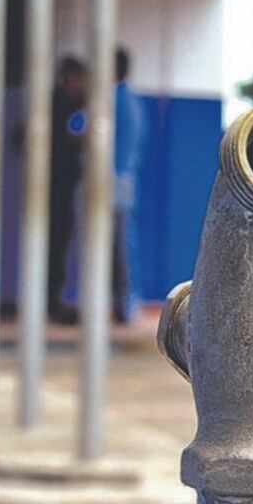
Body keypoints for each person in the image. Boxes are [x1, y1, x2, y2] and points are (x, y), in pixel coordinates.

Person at [47, 57, 87, 325]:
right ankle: (52, 303)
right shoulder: (62, 105)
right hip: (56, 184)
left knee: (58, 247)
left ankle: (52, 301)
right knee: (55, 246)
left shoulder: (65, 104)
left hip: (60, 184)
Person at [111, 47, 147, 323]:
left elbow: (78, 126)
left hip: (111, 179)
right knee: (122, 244)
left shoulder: (111, 100)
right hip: (125, 178)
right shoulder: (132, 100)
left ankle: (124, 304)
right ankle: (125, 303)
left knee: (116, 245)